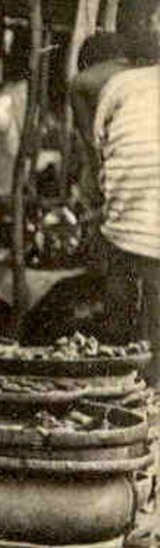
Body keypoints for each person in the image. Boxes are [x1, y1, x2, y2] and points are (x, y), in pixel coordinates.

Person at [72, 29, 160, 383]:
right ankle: (152, 374)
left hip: (128, 206)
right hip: (146, 206)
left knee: (124, 271)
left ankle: (119, 359)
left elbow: (100, 144)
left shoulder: (116, 85)